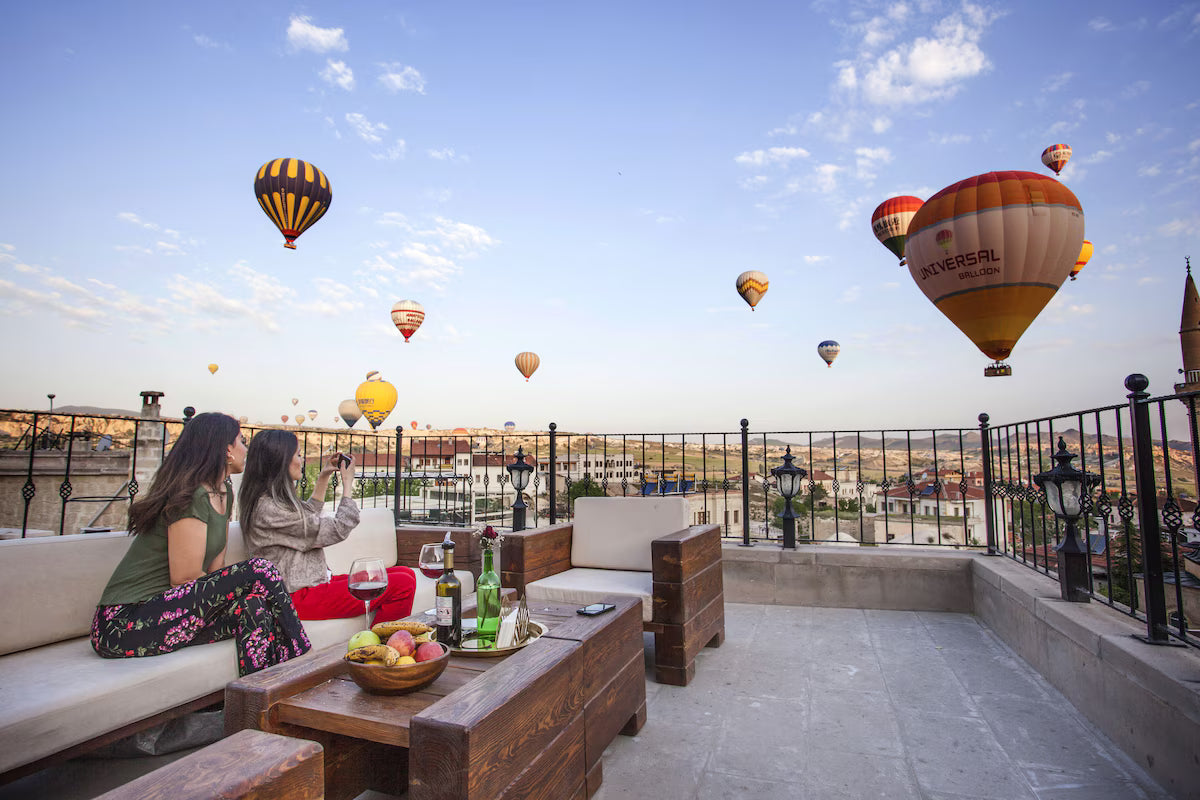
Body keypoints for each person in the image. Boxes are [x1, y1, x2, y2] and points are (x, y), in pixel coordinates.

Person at [92, 413, 311, 676]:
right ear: (226, 450)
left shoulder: (223, 494)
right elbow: (183, 578)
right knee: (260, 569)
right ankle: (303, 660)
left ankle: (261, 698)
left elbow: (213, 572)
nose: (246, 449)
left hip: (171, 614)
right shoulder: (190, 495)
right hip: (124, 623)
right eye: (241, 441)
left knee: (254, 606)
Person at [238, 430, 416, 626]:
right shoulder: (269, 509)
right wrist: (348, 483)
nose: (303, 459)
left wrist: (323, 476)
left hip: (308, 586)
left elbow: (306, 517)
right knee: (402, 585)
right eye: (298, 455)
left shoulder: (270, 502)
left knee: (405, 573)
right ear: (280, 461)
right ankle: (378, 649)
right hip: (293, 596)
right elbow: (339, 528)